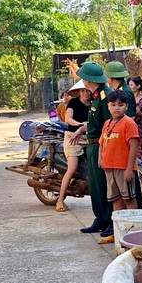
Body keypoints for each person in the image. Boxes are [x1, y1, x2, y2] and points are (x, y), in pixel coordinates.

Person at [98, 90, 140, 241]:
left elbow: (134, 147)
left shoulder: (129, 123)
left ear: (126, 106)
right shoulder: (107, 124)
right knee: (116, 200)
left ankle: (135, 232)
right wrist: (100, 159)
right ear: (108, 106)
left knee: (129, 199)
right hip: (110, 167)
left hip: (123, 168)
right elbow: (102, 143)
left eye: (120, 105)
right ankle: (119, 233)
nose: (117, 108)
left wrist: (130, 169)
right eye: (113, 105)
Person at [76, 62, 112, 235]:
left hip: (100, 145)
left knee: (104, 185)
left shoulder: (105, 96)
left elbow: (109, 125)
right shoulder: (96, 97)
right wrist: (83, 128)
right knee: (95, 186)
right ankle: (100, 219)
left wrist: (104, 150)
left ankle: (109, 219)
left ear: (88, 79)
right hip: (91, 145)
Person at [55, 80, 91, 212]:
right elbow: (68, 119)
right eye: (82, 90)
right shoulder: (73, 102)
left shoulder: (94, 103)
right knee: (72, 168)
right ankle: (60, 200)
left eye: (87, 90)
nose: (85, 93)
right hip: (73, 137)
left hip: (90, 137)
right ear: (78, 92)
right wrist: (80, 125)